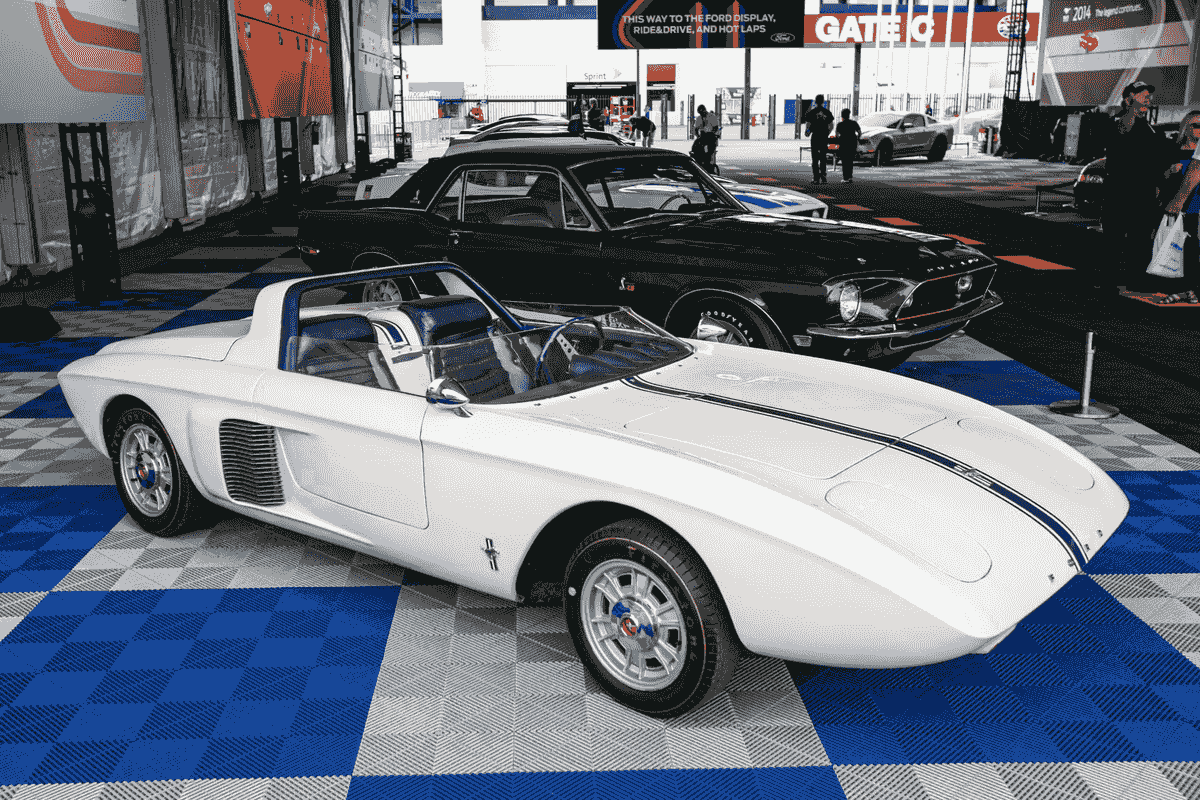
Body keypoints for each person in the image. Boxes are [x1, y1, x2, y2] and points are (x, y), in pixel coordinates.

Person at [1098, 80, 1166, 297]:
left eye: (1149, 96)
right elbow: (1123, 129)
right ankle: (1109, 281)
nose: (1148, 100)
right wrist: (1131, 109)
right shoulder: (1119, 123)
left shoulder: (1148, 127)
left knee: (1140, 239)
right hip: (1119, 193)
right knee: (1114, 239)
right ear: (1129, 99)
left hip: (1143, 194)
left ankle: (1136, 280)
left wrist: (1157, 184)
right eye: (1143, 96)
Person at [1154, 109, 1200, 304]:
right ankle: (1179, 288)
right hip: (1174, 204)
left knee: (1190, 249)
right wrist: (1170, 171)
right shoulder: (1173, 149)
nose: (1199, 129)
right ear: (1186, 127)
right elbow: (1159, 177)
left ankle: (1188, 288)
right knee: (1173, 247)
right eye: (1196, 125)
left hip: (1194, 206)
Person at [803, 94, 835, 184]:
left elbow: (808, 125)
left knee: (815, 158)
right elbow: (831, 125)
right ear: (823, 101)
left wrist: (807, 132)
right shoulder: (827, 112)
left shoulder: (811, 112)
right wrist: (827, 133)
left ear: (815, 102)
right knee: (823, 157)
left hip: (815, 136)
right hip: (823, 137)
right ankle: (824, 177)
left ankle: (816, 178)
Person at [691, 104, 721, 172]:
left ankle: (708, 163)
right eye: (700, 113)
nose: (701, 114)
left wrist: (713, 133)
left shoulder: (712, 116)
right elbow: (696, 128)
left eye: (702, 112)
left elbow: (715, 127)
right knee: (696, 146)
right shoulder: (699, 118)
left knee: (710, 150)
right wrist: (698, 136)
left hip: (711, 135)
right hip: (703, 135)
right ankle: (698, 159)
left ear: (705, 110)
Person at [834, 109, 862, 183]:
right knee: (850, 160)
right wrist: (857, 138)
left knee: (844, 161)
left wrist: (840, 139)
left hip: (843, 143)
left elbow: (837, 134)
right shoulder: (854, 123)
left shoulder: (840, 124)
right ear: (849, 115)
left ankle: (845, 177)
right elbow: (859, 132)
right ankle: (850, 177)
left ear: (842, 115)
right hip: (852, 143)